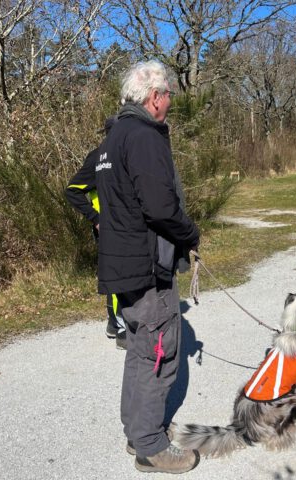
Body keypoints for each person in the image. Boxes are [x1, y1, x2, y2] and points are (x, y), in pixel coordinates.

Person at [95, 60, 200, 474]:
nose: (171, 101)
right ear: (155, 97)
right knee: (159, 352)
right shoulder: (144, 136)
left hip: (123, 267)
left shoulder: (113, 138)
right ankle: (150, 446)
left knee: (140, 349)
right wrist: (191, 234)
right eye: (169, 94)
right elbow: (160, 207)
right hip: (147, 266)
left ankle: (138, 430)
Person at [65, 117, 127, 350]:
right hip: (108, 229)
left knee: (119, 275)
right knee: (117, 277)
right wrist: (96, 218)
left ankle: (114, 323)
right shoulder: (97, 157)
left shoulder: (122, 154)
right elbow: (72, 190)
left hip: (123, 227)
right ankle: (120, 328)